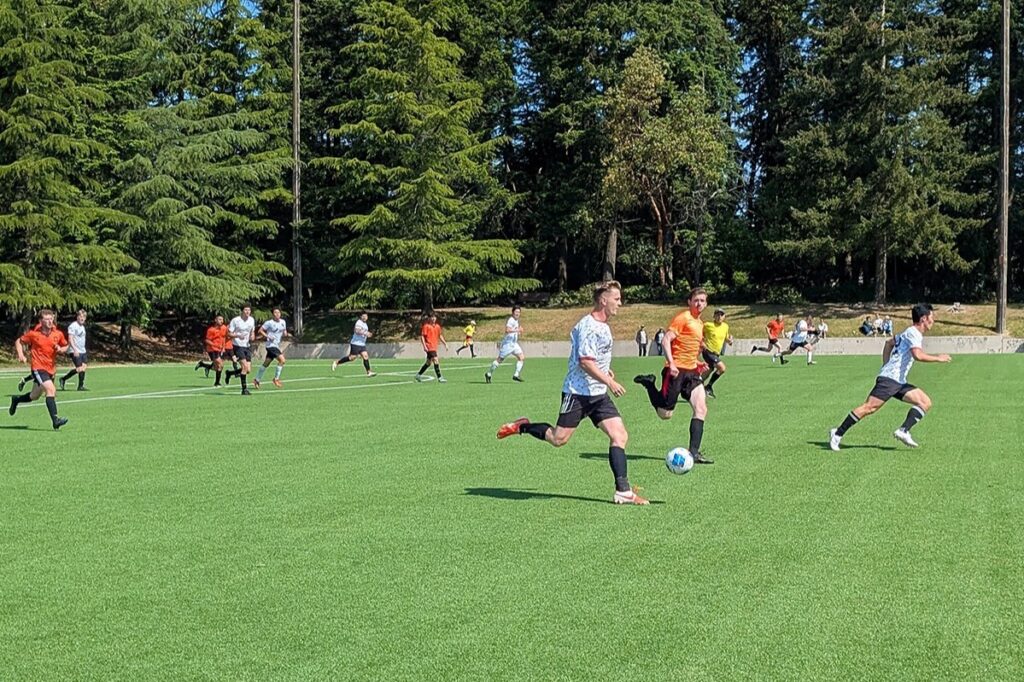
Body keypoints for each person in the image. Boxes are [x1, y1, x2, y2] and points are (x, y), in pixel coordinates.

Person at [496, 281, 648, 505]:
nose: (620, 303)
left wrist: (606, 372)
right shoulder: (588, 326)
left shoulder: (604, 326)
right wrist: (609, 381)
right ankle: (523, 427)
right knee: (558, 439)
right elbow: (585, 362)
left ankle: (623, 490)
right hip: (576, 393)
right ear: (603, 300)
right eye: (616, 299)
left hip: (598, 395)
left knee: (620, 436)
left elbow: (595, 358)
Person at [829, 304, 950, 451]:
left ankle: (903, 430)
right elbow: (917, 355)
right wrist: (939, 358)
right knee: (869, 408)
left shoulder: (909, 332)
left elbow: (888, 343)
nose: (933, 321)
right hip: (890, 380)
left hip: (898, 381)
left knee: (925, 402)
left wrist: (885, 365)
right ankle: (837, 434)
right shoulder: (914, 333)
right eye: (932, 317)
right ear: (924, 319)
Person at [632, 288, 714, 464]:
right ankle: (649, 384)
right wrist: (672, 363)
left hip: (692, 372)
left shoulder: (700, 324)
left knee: (701, 408)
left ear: (706, 303)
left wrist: (698, 363)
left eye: (702, 301)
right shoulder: (683, 318)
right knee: (665, 414)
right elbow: (666, 340)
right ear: (689, 302)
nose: (699, 304)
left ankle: (693, 453)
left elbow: (690, 348)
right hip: (675, 371)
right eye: (696, 300)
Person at [10, 310, 70, 430]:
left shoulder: (57, 334)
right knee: (51, 390)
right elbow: (19, 341)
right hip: (38, 368)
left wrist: (61, 349)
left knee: (34, 396)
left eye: (51, 318)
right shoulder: (34, 335)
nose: (50, 321)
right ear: (41, 321)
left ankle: (16, 399)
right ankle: (55, 420)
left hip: (51, 369)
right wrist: (21, 355)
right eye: (47, 319)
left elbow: (66, 346)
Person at [485, 305, 525, 383]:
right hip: (508, 344)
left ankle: (516, 375)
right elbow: (507, 330)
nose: (518, 313)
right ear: (513, 312)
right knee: (499, 360)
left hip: (514, 344)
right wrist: (517, 330)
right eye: (516, 312)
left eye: (519, 312)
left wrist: (518, 332)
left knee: (521, 357)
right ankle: (488, 373)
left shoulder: (516, 320)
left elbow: (513, 330)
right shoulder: (511, 320)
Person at [332, 312, 377, 377]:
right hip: (356, 343)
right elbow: (357, 331)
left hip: (362, 344)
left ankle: (369, 372)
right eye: (363, 316)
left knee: (365, 356)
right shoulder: (359, 322)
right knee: (352, 358)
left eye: (366, 316)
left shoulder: (365, 324)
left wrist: (368, 334)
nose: (365, 317)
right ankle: (337, 362)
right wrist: (366, 333)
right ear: (361, 317)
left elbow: (364, 332)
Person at [225, 305, 256, 395]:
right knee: (245, 367)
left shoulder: (251, 320)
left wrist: (252, 335)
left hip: (247, 346)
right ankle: (244, 389)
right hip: (237, 346)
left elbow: (252, 331)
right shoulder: (236, 320)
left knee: (248, 370)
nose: (247, 312)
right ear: (242, 311)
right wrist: (238, 335)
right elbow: (229, 334)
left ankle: (230, 373)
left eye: (249, 310)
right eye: (246, 310)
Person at [702, 309, 732, 398]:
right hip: (708, 351)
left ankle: (694, 385)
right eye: (717, 315)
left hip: (716, 353)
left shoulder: (725, 326)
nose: (719, 317)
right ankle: (709, 387)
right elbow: (698, 333)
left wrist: (729, 341)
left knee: (708, 371)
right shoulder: (708, 325)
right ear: (714, 316)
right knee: (722, 368)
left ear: (724, 317)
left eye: (721, 315)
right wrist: (701, 342)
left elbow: (726, 338)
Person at [254, 308, 288, 388]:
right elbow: (260, 331)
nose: (277, 314)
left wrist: (285, 333)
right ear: (273, 314)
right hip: (271, 345)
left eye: (278, 312)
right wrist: (268, 336)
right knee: (282, 360)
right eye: (275, 312)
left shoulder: (283, 322)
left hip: (276, 345)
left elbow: (284, 331)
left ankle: (257, 379)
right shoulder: (269, 323)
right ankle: (276, 379)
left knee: (266, 363)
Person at [57, 309, 89, 391]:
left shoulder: (82, 327)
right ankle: (63, 379)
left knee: (83, 368)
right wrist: (74, 349)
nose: (82, 318)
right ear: (77, 317)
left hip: (82, 350)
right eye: (80, 316)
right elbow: (70, 339)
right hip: (74, 350)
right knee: (79, 368)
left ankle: (80, 386)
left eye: (84, 317)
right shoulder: (73, 326)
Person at [195, 315, 228, 386]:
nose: (221, 321)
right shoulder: (211, 330)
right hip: (212, 350)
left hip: (219, 349)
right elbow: (207, 340)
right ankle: (217, 382)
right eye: (219, 319)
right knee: (220, 364)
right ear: (215, 320)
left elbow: (224, 337)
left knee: (218, 367)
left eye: (222, 320)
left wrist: (223, 347)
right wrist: (214, 345)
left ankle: (204, 365)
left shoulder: (224, 328)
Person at [416, 312, 448, 383]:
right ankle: (440, 377)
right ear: (429, 318)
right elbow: (422, 337)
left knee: (428, 363)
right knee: (436, 360)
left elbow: (440, 335)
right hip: (429, 346)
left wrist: (445, 343)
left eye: (434, 317)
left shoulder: (437, 326)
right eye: (432, 317)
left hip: (434, 346)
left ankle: (418, 374)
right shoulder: (426, 326)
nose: (433, 319)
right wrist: (424, 346)